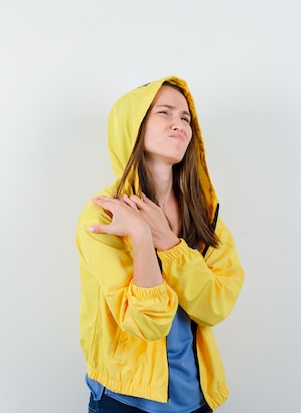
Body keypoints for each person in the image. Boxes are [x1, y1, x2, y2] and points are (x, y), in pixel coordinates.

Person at [76, 76, 245, 413]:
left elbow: (217, 304)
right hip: (123, 400)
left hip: (195, 399)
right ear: (133, 126)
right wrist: (140, 235)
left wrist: (168, 243)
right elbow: (146, 323)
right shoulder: (104, 213)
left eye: (185, 118)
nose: (178, 124)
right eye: (164, 113)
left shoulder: (206, 214)